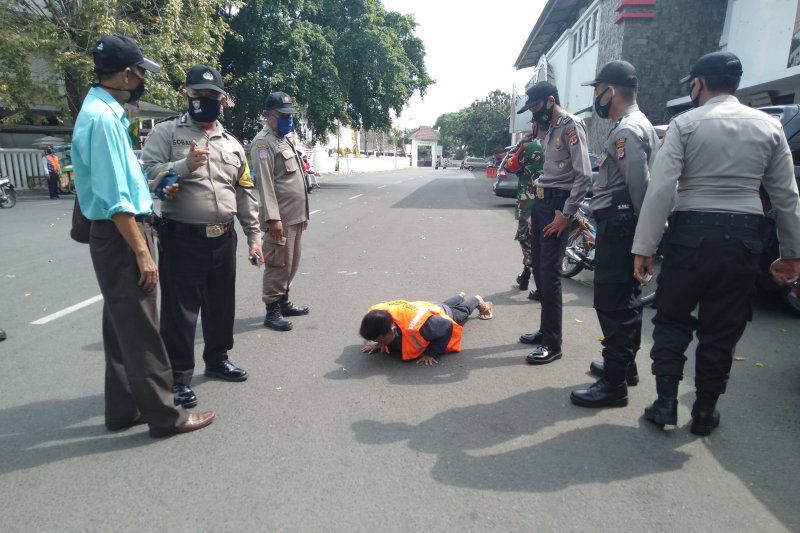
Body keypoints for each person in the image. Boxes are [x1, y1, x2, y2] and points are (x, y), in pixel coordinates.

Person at [632, 51, 800, 435]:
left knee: (672, 320)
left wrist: (644, 247)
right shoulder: (769, 126)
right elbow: (786, 196)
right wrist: (792, 254)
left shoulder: (685, 124)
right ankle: (705, 411)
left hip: (691, 233)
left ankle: (665, 403)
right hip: (744, 237)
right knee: (721, 329)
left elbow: (661, 189)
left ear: (699, 83)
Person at [72, 35, 213, 437]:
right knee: (143, 332)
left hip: (116, 233)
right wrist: (142, 253)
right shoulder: (103, 120)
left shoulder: (100, 112)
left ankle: (123, 409)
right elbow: (117, 202)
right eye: (138, 73)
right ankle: (167, 416)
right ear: (128, 73)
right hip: (123, 234)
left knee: (120, 327)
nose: (139, 80)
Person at [141, 65, 261, 408]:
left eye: (212, 96)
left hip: (223, 237)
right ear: (186, 96)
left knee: (221, 305)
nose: (204, 102)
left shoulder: (234, 145)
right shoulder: (165, 134)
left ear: (222, 100)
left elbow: (243, 192)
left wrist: (253, 237)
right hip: (182, 238)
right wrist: (182, 166)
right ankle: (177, 376)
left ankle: (218, 359)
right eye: (198, 95)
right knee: (180, 312)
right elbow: (147, 175)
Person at [570, 60, 659, 408]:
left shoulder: (626, 131)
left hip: (621, 223)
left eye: (597, 91)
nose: (596, 98)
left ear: (610, 90)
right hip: (625, 223)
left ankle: (614, 385)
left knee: (612, 301)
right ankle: (624, 368)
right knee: (627, 299)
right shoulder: (638, 125)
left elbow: (641, 186)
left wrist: (647, 233)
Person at [516, 81, 593, 365]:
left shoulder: (572, 126)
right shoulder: (549, 129)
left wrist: (567, 214)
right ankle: (545, 330)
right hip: (541, 203)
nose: (534, 115)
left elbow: (584, 175)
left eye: (536, 108)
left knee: (549, 275)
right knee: (538, 268)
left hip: (558, 206)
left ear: (550, 101)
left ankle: (553, 343)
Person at [250, 92, 311, 332]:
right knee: (277, 264)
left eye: (291, 116)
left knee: (291, 262)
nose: (289, 120)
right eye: (284, 116)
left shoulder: (284, 140)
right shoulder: (263, 143)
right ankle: (272, 310)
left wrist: (303, 214)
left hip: (294, 216)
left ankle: (283, 301)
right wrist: (272, 218)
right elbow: (265, 184)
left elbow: (296, 180)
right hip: (280, 218)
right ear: (269, 116)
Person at [359, 293, 494, 366]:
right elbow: (377, 330)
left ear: (391, 329)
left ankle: (475, 300)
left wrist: (431, 353)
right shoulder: (376, 315)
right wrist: (379, 343)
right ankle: (459, 297)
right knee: (440, 304)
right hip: (423, 306)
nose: (379, 342)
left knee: (459, 313)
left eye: (380, 339)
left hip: (436, 314)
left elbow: (447, 327)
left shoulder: (422, 325)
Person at [507, 124, 545, 301]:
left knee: (526, 239)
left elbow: (510, 165)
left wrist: (520, 144)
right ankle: (525, 276)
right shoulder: (551, 144)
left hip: (528, 200)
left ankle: (538, 285)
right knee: (537, 241)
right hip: (547, 200)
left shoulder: (530, 147)